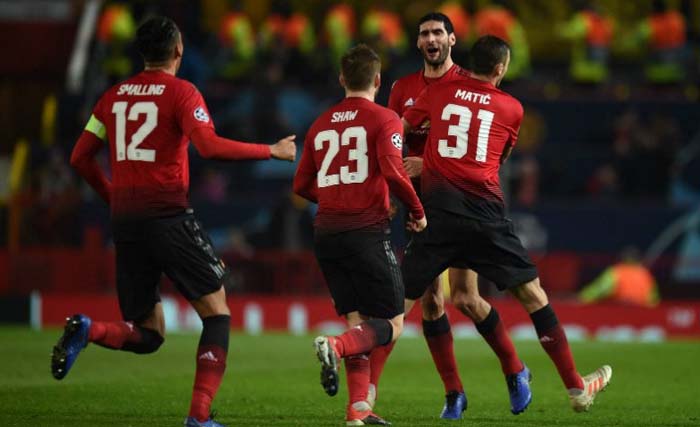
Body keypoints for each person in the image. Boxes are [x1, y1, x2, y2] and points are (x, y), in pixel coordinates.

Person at [51, 16, 296, 427]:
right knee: (217, 313)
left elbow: (79, 157)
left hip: (126, 221)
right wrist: (269, 150)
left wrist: (113, 196)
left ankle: (89, 330)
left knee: (149, 334)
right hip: (167, 213)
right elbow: (209, 146)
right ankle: (199, 417)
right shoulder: (183, 92)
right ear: (178, 51)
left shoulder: (111, 97)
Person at [401, 34, 612, 413]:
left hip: (439, 212)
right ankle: (576, 388)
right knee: (534, 297)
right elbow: (497, 157)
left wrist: (427, 164)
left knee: (401, 308)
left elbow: (403, 131)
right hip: (484, 215)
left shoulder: (438, 92)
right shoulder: (512, 107)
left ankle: (360, 394)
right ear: (500, 69)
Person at [368, 12, 532, 419]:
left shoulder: (466, 84)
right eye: (424, 33)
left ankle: (515, 369)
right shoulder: (402, 88)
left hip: (458, 201)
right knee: (431, 304)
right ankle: (454, 393)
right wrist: (390, 191)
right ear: (418, 43)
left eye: (438, 32)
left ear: (452, 40)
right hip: (418, 204)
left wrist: (428, 164)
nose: (431, 39)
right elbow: (390, 141)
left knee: (465, 297)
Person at [293, 44, 426, 426]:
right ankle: (334, 346)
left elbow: (302, 184)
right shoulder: (386, 119)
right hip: (365, 231)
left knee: (359, 324)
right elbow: (393, 171)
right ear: (379, 80)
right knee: (393, 322)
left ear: (341, 79)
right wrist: (417, 212)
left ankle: (357, 411)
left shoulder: (320, 124)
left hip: (326, 233)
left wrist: (336, 195)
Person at [579, 246, 659, 307]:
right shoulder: (645, 274)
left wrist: (582, 298)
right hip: (642, 317)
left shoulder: (617, 272)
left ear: (622, 258)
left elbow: (600, 289)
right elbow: (653, 301)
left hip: (620, 313)